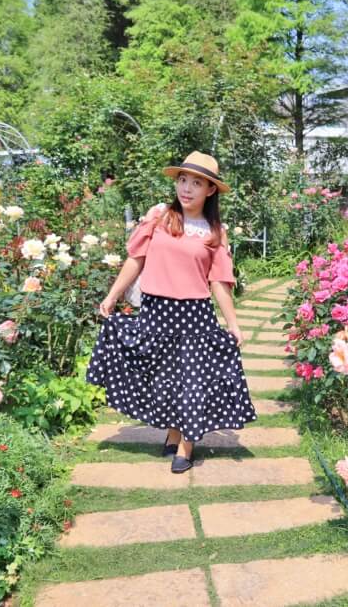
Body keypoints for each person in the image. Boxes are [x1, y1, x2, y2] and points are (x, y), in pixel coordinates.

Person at [86, 151, 257, 474]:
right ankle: (174, 430)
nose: (186, 188)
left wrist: (233, 323)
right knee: (163, 379)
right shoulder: (159, 216)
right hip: (155, 313)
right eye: (182, 180)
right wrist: (112, 295)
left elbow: (219, 282)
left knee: (191, 382)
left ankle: (185, 446)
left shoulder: (214, 233)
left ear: (210, 190)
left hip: (193, 317)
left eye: (196, 182)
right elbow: (136, 259)